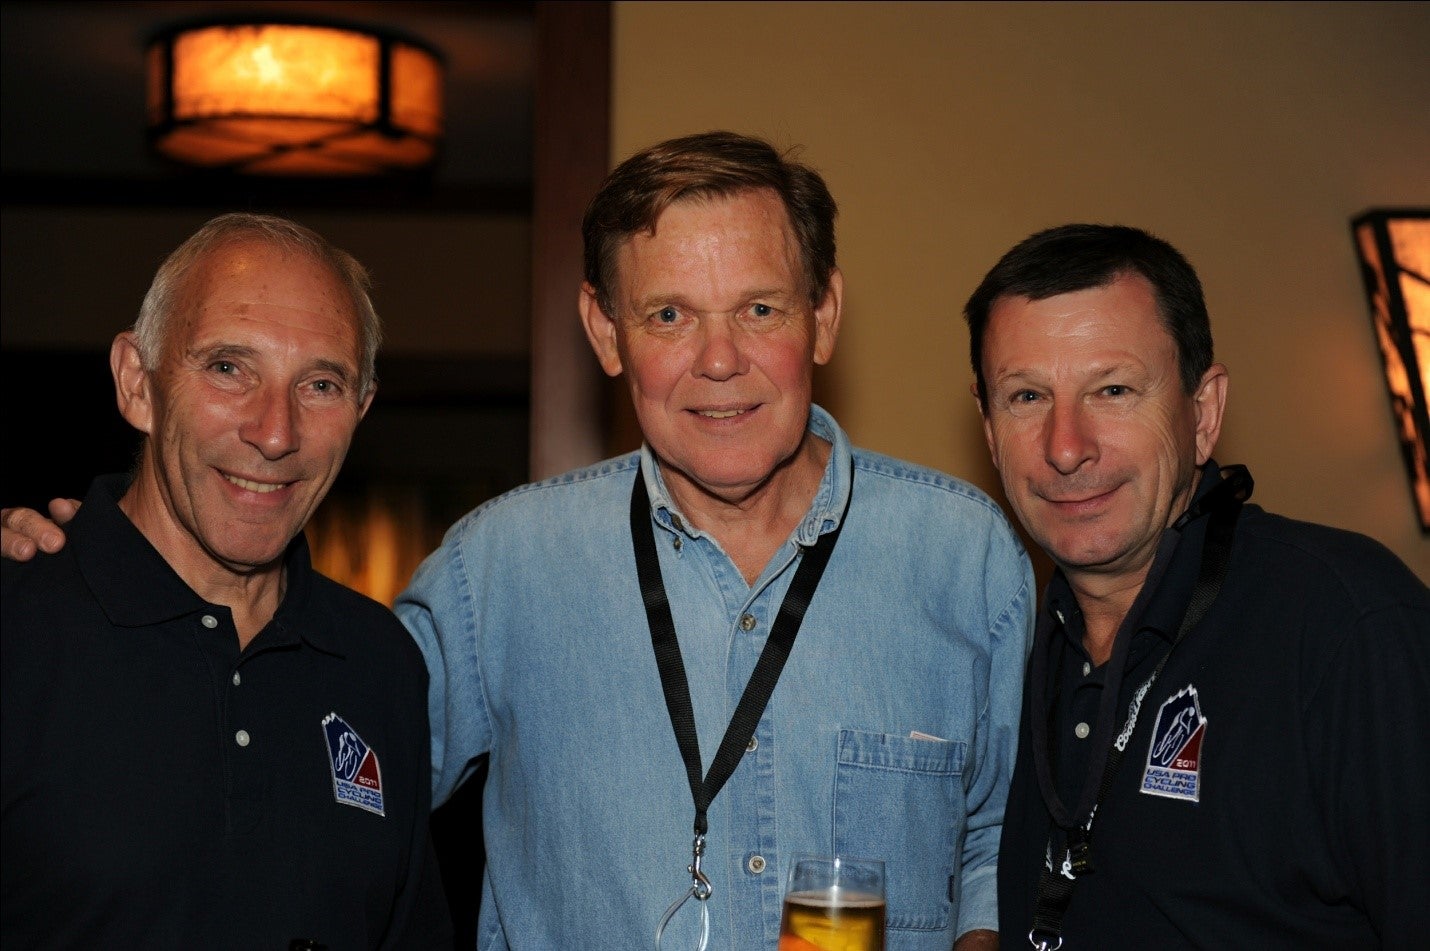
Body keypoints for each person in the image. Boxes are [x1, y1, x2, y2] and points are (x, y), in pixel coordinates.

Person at [2, 132, 1034, 950]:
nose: (718, 360)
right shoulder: (495, 569)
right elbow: (296, 752)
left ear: (823, 315)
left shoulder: (967, 557)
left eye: (758, 308)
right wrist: (84, 572)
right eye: (668, 315)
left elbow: (1001, 835)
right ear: (604, 332)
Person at [963, 222, 1430, 948]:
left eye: (1112, 389)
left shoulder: (1345, 627)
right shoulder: (1001, 642)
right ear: (989, 429)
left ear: (1204, 412)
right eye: (1026, 396)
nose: (1066, 447)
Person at [1, 214, 452, 949]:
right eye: (228, 368)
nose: (275, 433)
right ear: (137, 383)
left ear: (360, 409)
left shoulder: (381, 661)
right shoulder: (19, 625)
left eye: (321, 384)